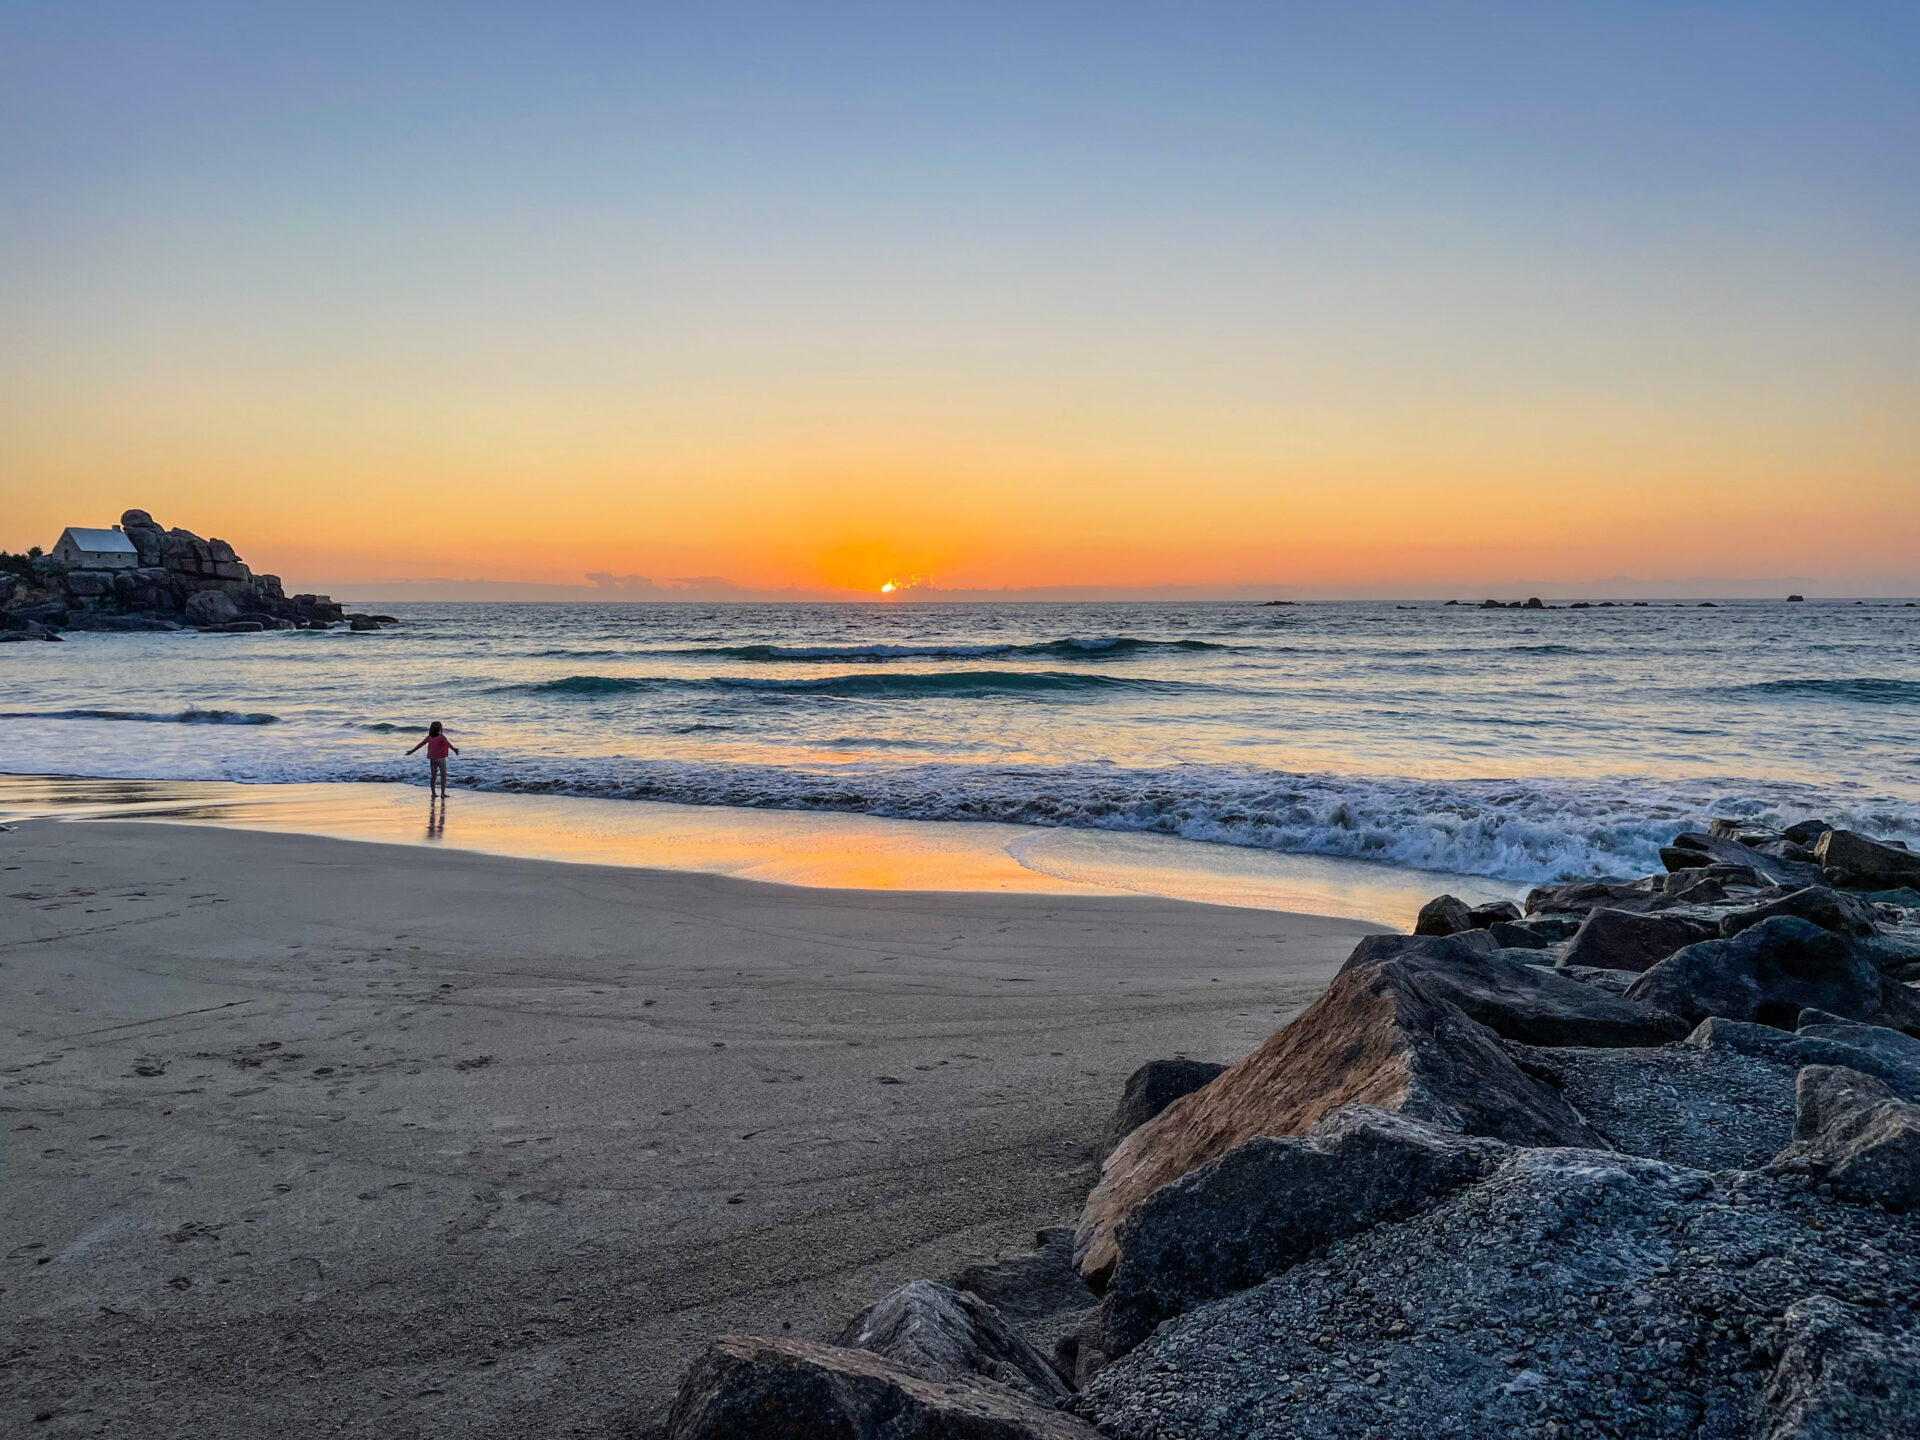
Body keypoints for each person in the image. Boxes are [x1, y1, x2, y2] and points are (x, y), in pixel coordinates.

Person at [407, 721, 460, 796]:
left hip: (432, 759)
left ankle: (433, 793)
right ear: (439, 728)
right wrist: (454, 750)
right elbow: (448, 744)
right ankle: (442, 793)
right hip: (441, 758)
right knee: (443, 775)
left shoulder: (429, 737)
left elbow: (420, 745)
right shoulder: (441, 737)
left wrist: (411, 751)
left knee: (433, 776)